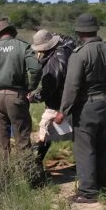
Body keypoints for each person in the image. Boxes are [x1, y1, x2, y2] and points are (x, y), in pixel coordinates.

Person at [54, 13, 106, 203]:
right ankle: (101, 183)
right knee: (101, 145)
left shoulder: (79, 54)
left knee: (85, 148)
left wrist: (63, 111)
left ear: (79, 32)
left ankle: (88, 192)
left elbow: (72, 85)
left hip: (87, 106)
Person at [0, 17, 41, 154]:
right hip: (16, 97)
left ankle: (5, 174)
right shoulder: (22, 46)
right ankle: (25, 173)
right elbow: (36, 68)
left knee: (3, 143)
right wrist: (30, 89)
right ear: (12, 32)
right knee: (23, 141)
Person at [28, 29, 72, 164]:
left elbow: (50, 86)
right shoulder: (67, 48)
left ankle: (36, 164)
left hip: (58, 102)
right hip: (71, 98)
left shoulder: (54, 59)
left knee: (45, 131)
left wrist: (33, 97)